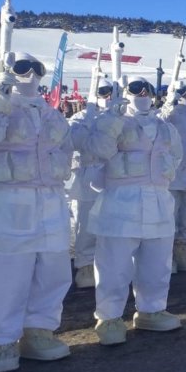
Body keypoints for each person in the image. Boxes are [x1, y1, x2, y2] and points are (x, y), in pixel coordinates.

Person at [87, 77, 183, 344]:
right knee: (113, 266)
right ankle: (109, 317)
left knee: (157, 263)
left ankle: (151, 309)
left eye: (147, 90)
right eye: (135, 89)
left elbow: (176, 155)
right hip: (121, 202)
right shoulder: (112, 122)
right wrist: (112, 120)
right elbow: (98, 153)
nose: (142, 94)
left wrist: (165, 176)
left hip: (158, 201)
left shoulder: (164, 127)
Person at [0, 53, 75, 372]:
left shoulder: (51, 114)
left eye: (37, 69)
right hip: (11, 198)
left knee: (53, 269)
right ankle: (1, 340)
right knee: (9, 273)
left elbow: (65, 150)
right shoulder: (1, 105)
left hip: (51, 199)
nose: (30, 75)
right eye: (22, 69)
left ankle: (39, 330)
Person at [66, 80, 113, 289]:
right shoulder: (80, 117)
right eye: (102, 92)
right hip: (87, 174)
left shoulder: (117, 117)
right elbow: (73, 142)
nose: (107, 96)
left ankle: (107, 263)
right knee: (85, 224)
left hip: (111, 174)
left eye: (110, 92)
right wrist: (89, 115)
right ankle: (85, 265)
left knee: (112, 224)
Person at [161, 84, 186, 273]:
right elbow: (159, 124)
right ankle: (167, 256)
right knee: (171, 215)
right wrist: (168, 104)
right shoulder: (168, 114)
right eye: (183, 93)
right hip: (174, 172)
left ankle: (182, 251)